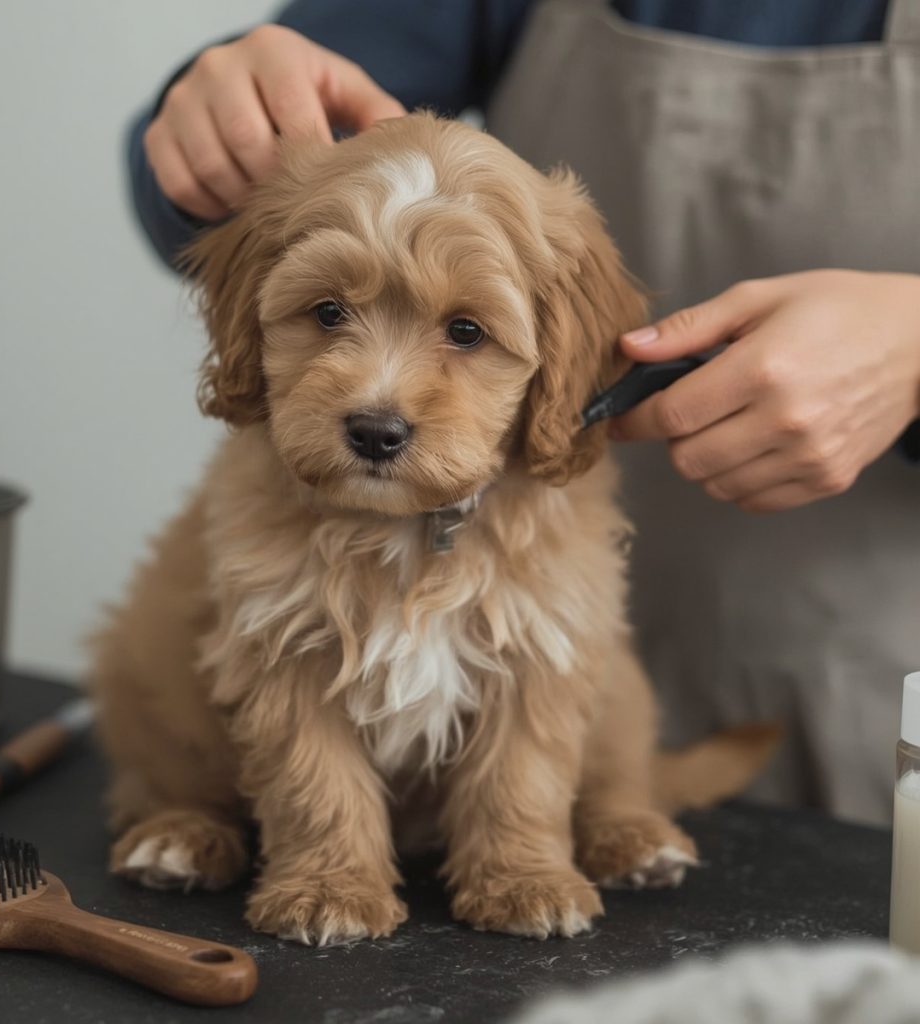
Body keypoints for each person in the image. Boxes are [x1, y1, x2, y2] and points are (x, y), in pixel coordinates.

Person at [126, 0, 920, 825]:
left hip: (877, 673)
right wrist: (210, 124)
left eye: (466, 331)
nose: (379, 400)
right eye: (330, 316)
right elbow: (189, 179)